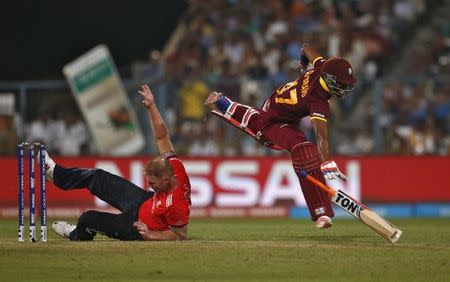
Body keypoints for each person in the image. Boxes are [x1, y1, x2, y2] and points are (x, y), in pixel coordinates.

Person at [204, 43, 356, 228]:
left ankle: (223, 102)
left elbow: (307, 47)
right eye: (341, 84)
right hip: (273, 121)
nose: (343, 88)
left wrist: (303, 64)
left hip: (279, 109)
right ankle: (321, 213)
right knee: (304, 151)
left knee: (305, 151)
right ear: (329, 78)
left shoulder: (320, 65)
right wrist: (326, 162)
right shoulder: (318, 100)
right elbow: (321, 135)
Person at [47, 84, 191, 241]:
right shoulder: (174, 167)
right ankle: (57, 175)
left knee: (87, 218)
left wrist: (151, 234)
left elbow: (179, 235)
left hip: (137, 226)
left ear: (165, 179)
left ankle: (77, 232)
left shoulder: (177, 203)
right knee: (96, 176)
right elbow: (162, 137)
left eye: (152, 183)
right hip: (143, 201)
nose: (150, 186)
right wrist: (152, 107)